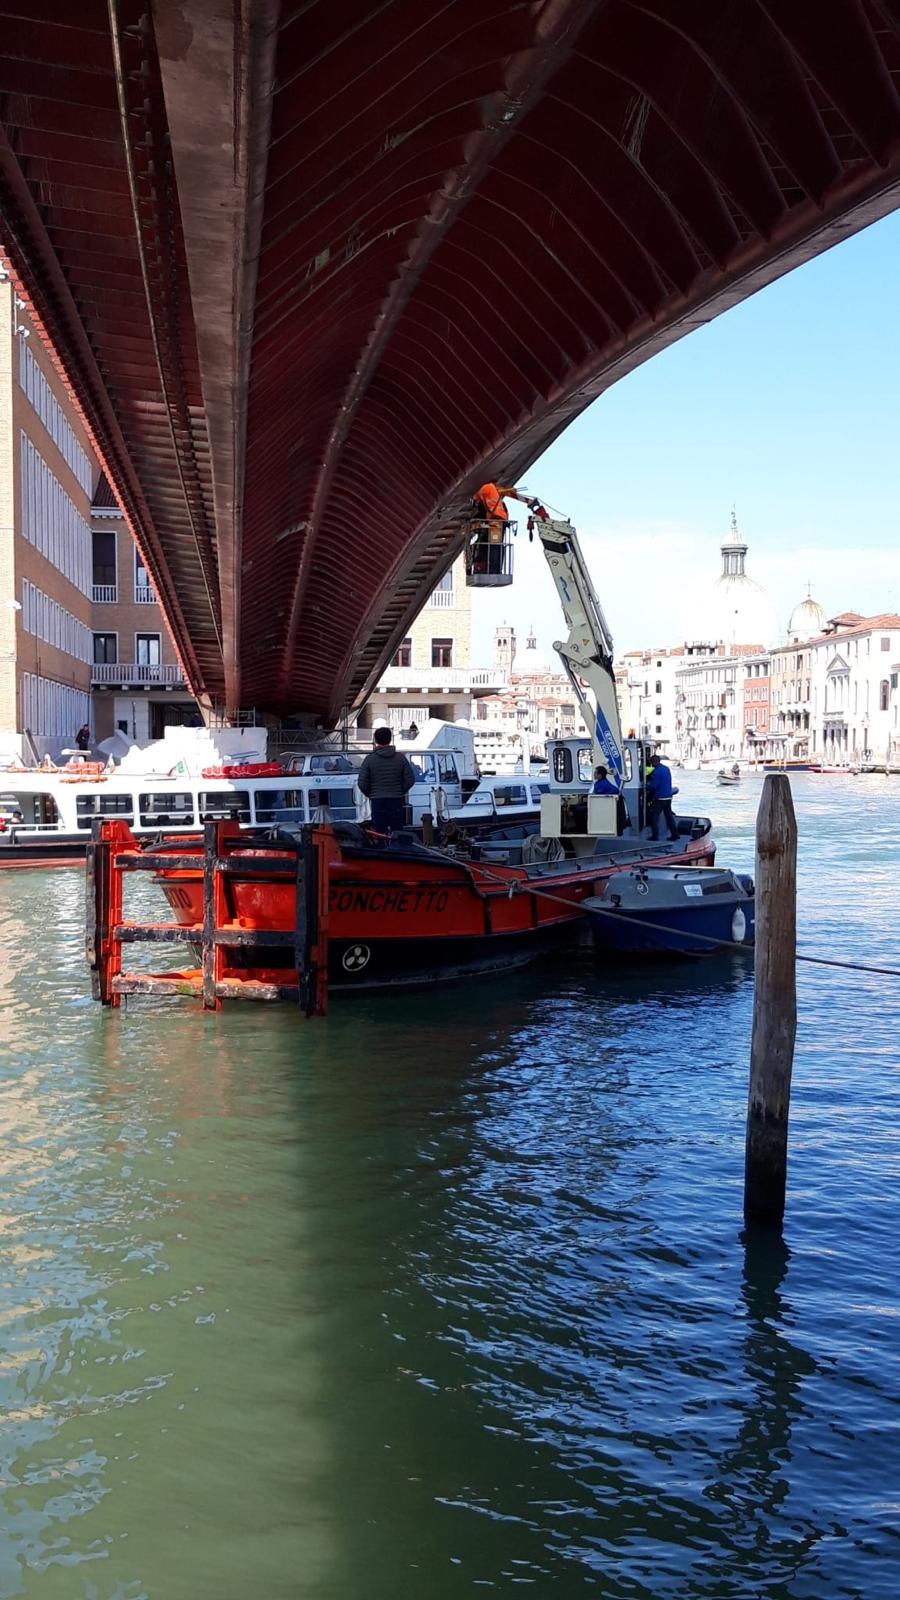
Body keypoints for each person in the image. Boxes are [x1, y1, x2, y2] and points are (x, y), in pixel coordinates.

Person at [357, 727, 417, 836]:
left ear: (375, 740)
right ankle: (397, 851)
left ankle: (382, 850)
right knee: (397, 833)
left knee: (380, 833)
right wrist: (400, 791)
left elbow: (362, 783)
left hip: (377, 801)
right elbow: (410, 779)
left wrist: (371, 794)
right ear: (390, 739)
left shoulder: (369, 759)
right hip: (396, 800)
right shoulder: (400, 758)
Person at [475, 482, 531, 574]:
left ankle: (492, 569)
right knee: (494, 545)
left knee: (493, 545)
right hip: (499, 520)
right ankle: (494, 569)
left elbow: (479, 503)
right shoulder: (491, 489)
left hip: (496, 521)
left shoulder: (483, 490)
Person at [646, 753, 679, 841]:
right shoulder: (666, 769)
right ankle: (675, 834)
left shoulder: (656, 772)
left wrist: (646, 785)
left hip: (660, 798)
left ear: (653, 762)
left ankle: (655, 836)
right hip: (668, 796)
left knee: (654, 817)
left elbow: (653, 786)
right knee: (669, 816)